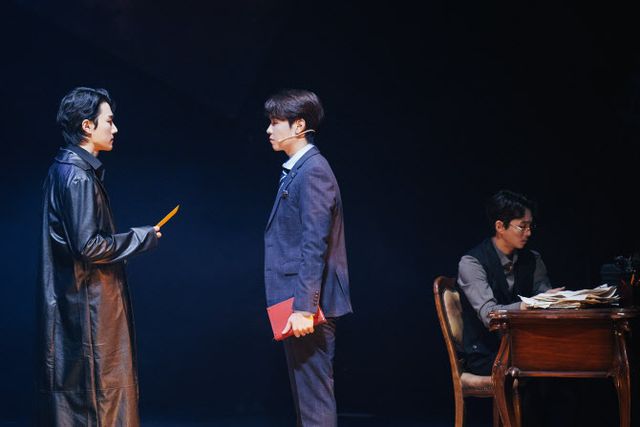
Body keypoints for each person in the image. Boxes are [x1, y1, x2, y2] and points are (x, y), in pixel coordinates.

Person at [37, 87, 161, 426]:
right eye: (109, 121)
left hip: (80, 302)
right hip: (88, 307)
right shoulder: (76, 175)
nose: (115, 128)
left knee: (87, 398)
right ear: (87, 126)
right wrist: (140, 237)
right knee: (99, 399)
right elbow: (88, 246)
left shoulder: (67, 169)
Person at [263, 89, 353, 427]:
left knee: (314, 400)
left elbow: (315, 243)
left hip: (311, 305)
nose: (269, 130)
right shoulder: (299, 170)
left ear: (299, 125)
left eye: (275, 122)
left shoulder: (313, 170)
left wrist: (304, 307)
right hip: (301, 301)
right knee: (307, 397)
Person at [457, 190, 562, 376]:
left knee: (564, 357)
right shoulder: (472, 262)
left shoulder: (532, 259)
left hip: (525, 346)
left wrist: (554, 300)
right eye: (522, 226)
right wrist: (528, 305)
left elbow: (544, 298)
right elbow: (489, 315)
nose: (529, 232)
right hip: (487, 353)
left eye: (530, 225)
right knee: (547, 365)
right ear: (500, 226)